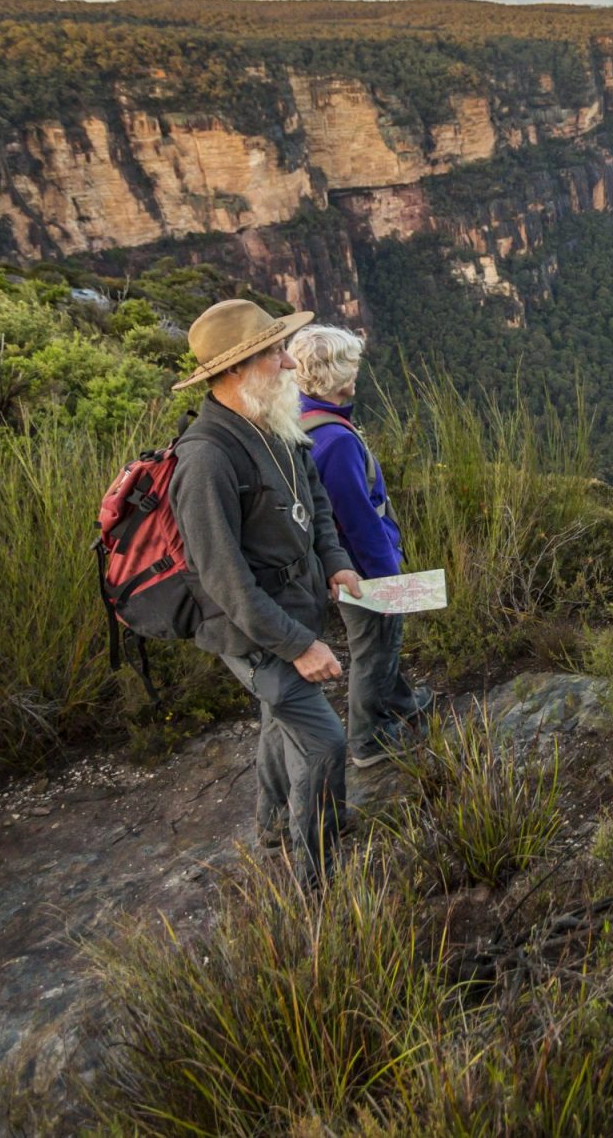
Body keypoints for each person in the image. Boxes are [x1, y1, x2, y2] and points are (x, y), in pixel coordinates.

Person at [168, 299, 363, 884]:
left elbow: (317, 500)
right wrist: (299, 646)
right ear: (234, 370)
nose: (287, 363)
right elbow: (225, 578)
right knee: (326, 743)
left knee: (281, 720)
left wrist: (335, 562)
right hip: (255, 634)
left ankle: (275, 823)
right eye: (273, 353)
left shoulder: (274, 420)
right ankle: (317, 878)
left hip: (292, 607)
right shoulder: (205, 459)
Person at [287, 324, 431, 767]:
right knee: (375, 646)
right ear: (337, 376)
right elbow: (358, 519)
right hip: (362, 569)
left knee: (381, 641)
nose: (357, 373)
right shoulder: (336, 441)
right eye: (352, 365)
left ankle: (403, 702)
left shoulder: (297, 418)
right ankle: (370, 740)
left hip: (337, 564)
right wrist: (388, 573)